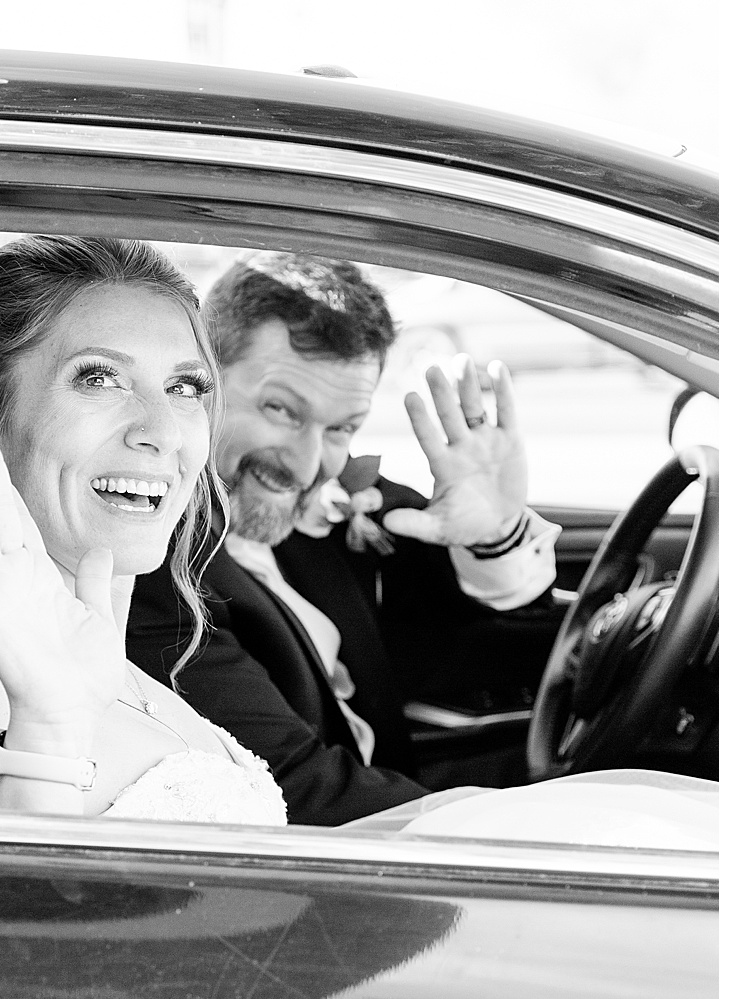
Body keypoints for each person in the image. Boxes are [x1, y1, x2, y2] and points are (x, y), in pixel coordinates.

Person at [128, 254, 562, 815]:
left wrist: (494, 535)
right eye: (282, 409)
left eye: (341, 428)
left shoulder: (335, 507)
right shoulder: (149, 572)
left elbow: (464, 635)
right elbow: (298, 790)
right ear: (197, 379)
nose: (309, 465)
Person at [0, 236, 296, 823]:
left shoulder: (109, 659)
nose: (161, 430)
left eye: (186, 388)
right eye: (99, 379)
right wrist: (46, 728)